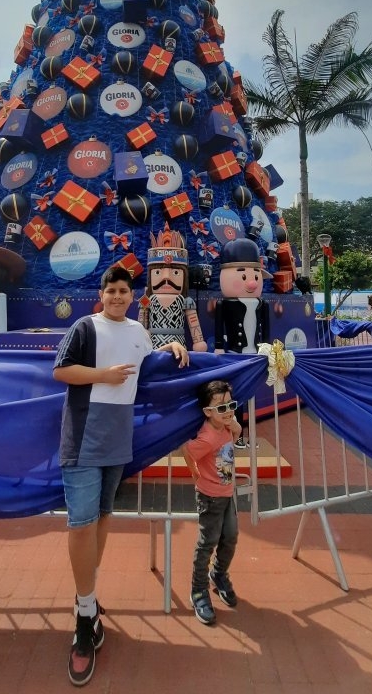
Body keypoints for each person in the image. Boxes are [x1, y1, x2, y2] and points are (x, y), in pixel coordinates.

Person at [53, 265, 189, 687]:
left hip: (118, 434)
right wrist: (101, 376)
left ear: (133, 296)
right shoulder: (84, 326)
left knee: (105, 515)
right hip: (83, 431)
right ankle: (84, 612)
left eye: (123, 291)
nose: (116, 297)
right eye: (110, 290)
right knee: (81, 522)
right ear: (102, 293)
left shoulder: (138, 331)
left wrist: (172, 347)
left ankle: (87, 602)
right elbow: (61, 370)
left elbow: (147, 365)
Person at [182, 379, 242, 626]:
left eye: (231, 405)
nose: (227, 411)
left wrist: (232, 421)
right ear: (207, 412)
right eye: (221, 408)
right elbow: (187, 450)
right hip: (210, 497)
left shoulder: (227, 427)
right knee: (207, 542)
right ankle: (198, 590)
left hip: (228, 493)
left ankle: (218, 574)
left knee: (230, 537)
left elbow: (236, 431)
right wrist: (194, 472)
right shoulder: (207, 438)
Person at [214, 238, 270, 448]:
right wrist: (219, 346)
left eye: (256, 275)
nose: (252, 282)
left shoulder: (262, 304)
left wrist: (267, 348)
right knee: (234, 398)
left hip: (255, 355)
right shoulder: (224, 304)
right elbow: (219, 328)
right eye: (244, 275)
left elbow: (266, 330)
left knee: (251, 397)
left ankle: (245, 435)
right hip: (233, 356)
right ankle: (234, 437)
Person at [138, 222, 207, 352]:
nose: (166, 278)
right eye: (158, 272)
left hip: (179, 345)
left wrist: (199, 341)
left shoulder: (186, 301)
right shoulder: (146, 299)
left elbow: (193, 323)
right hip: (153, 345)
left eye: (175, 272)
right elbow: (142, 322)